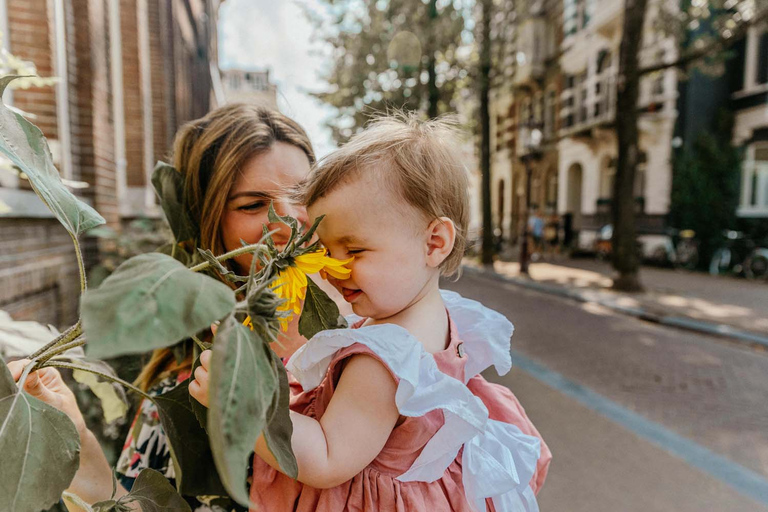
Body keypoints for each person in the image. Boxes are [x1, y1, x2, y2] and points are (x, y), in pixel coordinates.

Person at [191, 114, 552, 511]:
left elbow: (326, 458)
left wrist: (239, 403)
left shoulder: (381, 359)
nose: (334, 267)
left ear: (435, 242)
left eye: (355, 250)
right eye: (326, 250)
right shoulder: (442, 315)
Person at [8, 103, 346, 511]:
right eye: (253, 205)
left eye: (300, 194)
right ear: (211, 223)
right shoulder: (192, 382)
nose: (288, 219)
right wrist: (77, 439)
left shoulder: (375, 326)